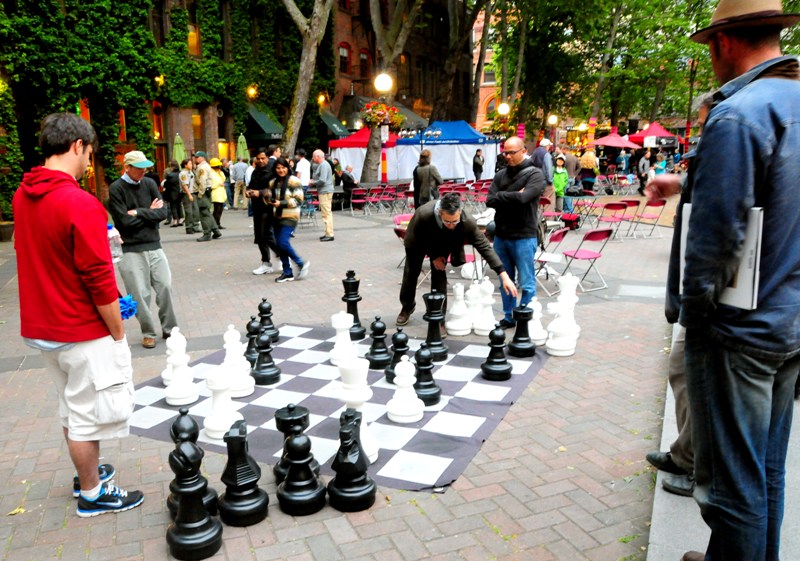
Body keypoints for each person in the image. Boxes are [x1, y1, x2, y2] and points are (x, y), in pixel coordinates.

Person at [647, 2, 800, 559]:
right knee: (767, 468)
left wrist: (695, 315)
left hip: (741, 332)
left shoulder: (739, 114)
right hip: (792, 320)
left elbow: (716, 236)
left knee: (733, 485)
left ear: (723, 44)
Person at [12, 112, 144, 518]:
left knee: (73, 408)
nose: (90, 162)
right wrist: (118, 331)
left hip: (44, 328)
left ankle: (86, 472)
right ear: (77, 146)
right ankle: (92, 493)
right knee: (88, 416)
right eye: (89, 153)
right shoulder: (80, 202)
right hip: (81, 330)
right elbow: (99, 278)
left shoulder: (22, 194)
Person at [645, 91, 714, 500]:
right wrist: (682, 182)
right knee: (682, 370)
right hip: (703, 295)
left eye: (705, 125)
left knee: (699, 382)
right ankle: (686, 454)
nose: (703, 134)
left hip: (717, 301)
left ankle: (698, 468)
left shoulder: (743, 129)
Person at [396, 192, 517, 333]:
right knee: (411, 274)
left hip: (443, 241)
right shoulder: (424, 215)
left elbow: (484, 247)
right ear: (440, 213)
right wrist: (434, 256)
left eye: (455, 221)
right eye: (448, 221)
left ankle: (439, 317)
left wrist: (503, 274)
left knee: (440, 275)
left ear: (460, 212)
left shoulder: (467, 221)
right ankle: (407, 306)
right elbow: (419, 238)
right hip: (417, 241)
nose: (452, 225)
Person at [108, 150, 179, 350]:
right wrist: (150, 213)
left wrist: (139, 212)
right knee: (139, 293)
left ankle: (170, 328)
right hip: (130, 249)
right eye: (139, 168)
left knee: (165, 286)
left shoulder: (148, 183)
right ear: (127, 168)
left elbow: (163, 213)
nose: (143, 171)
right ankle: (148, 332)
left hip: (154, 245)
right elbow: (124, 221)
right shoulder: (116, 189)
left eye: (145, 167)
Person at [486, 136, 546, 329]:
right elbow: (489, 200)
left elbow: (525, 198)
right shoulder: (500, 175)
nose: (508, 156)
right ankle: (509, 316)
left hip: (524, 236)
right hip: (502, 235)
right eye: (506, 152)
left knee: (527, 281)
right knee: (505, 279)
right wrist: (513, 195)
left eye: (512, 152)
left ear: (523, 151)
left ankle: (526, 317)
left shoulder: (535, 174)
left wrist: (501, 196)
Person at [269, 157, 311, 283]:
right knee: (279, 245)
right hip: (276, 216)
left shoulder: (294, 181)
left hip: (290, 216)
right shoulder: (273, 182)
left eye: (283, 167)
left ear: (288, 168)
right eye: (278, 168)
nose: (281, 170)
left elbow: (298, 200)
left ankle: (300, 262)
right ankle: (287, 272)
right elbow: (271, 198)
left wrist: (281, 203)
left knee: (282, 242)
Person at [246, 147, 280, 275]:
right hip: (257, 207)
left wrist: (259, 193)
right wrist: (249, 191)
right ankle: (266, 262)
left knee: (266, 234)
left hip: (269, 207)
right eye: (258, 158)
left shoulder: (273, 171)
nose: (260, 161)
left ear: (267, 157)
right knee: (259, 236)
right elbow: (251, 185)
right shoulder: (255, 171)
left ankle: (282, 255)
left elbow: (275, 190)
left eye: (263, 158)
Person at [192, 151, 222, 242]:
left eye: (197, 157)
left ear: (202, 158)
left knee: (204, 214)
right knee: (207, 212)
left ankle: (207, 234)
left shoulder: (202, 168)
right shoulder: (203, 167)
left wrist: (200, 194)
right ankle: (216, 231)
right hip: (206, 191)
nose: (195, 159)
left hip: (203, 192)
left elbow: (202, 181)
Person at [311, 149, 335, 242]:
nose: (313, 158)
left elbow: (322, 180)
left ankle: (329, 234)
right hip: (325, 190)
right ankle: (327, 233)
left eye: (313, 156)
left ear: (318, 156)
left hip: (325, 191)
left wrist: (313, 183)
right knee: (326, 213)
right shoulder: (323, 164)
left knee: (326, 213)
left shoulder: (324, 165)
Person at [530, 138, 554, 205]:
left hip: (535, 180)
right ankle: (547, 215)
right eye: (549, 146)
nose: (549, 147)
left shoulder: (534, 152)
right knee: (548, 202)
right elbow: (549, 169)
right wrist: (550, 181)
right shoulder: (546, 154)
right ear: (546, 146)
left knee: (537, 201)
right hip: (544, 181)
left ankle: (538, 215)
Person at [179, 158, 199, 235]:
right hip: (186, 194)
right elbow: (185, 185)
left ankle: (195, 226)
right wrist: (189, 195)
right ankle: (189, 227)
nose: (191, 165)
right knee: (189, 212)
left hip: (193, 192)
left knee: (195, 210)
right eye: (190, 164)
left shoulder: (191, 172)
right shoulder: (183, 174)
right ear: (185, 165)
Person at [162, 160, 183, 228]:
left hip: (172, 193)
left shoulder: (170, 176)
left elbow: (166, 184)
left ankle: (175, 220)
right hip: (180, 192)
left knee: (173, 206)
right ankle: (181, 219)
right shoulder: (181, 173)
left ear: (172, 167)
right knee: (179, 205)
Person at [209, 158, 227, 229]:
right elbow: (211, 185)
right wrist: (219, 184)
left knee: (220, 210)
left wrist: (220, 173)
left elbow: (224, 179)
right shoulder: (211, 173)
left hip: (221, 194)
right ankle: (214, 224)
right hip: (216, 194)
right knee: (217, 210)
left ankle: (218, 223)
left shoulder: (219, 172)